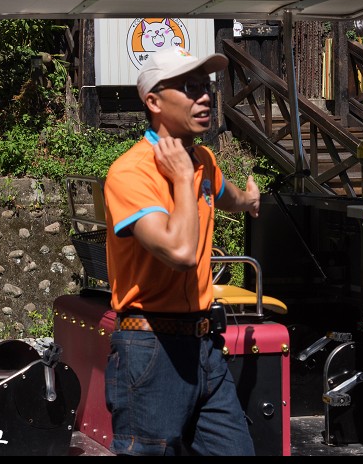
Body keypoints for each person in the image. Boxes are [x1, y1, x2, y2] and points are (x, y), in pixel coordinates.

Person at [103, 45, 261, 456]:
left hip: (205, 346)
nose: (204, 96)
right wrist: (180, 179)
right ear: (153, 101)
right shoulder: (131, 172)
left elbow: (221, 194)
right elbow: (180, 252)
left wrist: (248, 200)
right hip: (150, 349)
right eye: (189, 88)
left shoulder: (203, 159)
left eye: (205, 86)